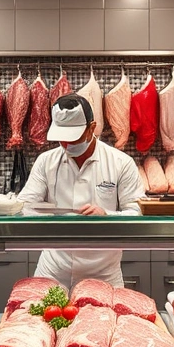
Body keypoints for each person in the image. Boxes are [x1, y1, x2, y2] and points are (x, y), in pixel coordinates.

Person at [17, 93, 145, 288]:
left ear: (91, 128)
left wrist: (107, 215)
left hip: (104, 274)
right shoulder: (46, 161)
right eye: (61, 139)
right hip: (52, 270)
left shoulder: (121, 163)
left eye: (73, 138)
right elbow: (25, 206)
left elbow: (138, 212)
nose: (66, 145)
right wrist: (43, 214)